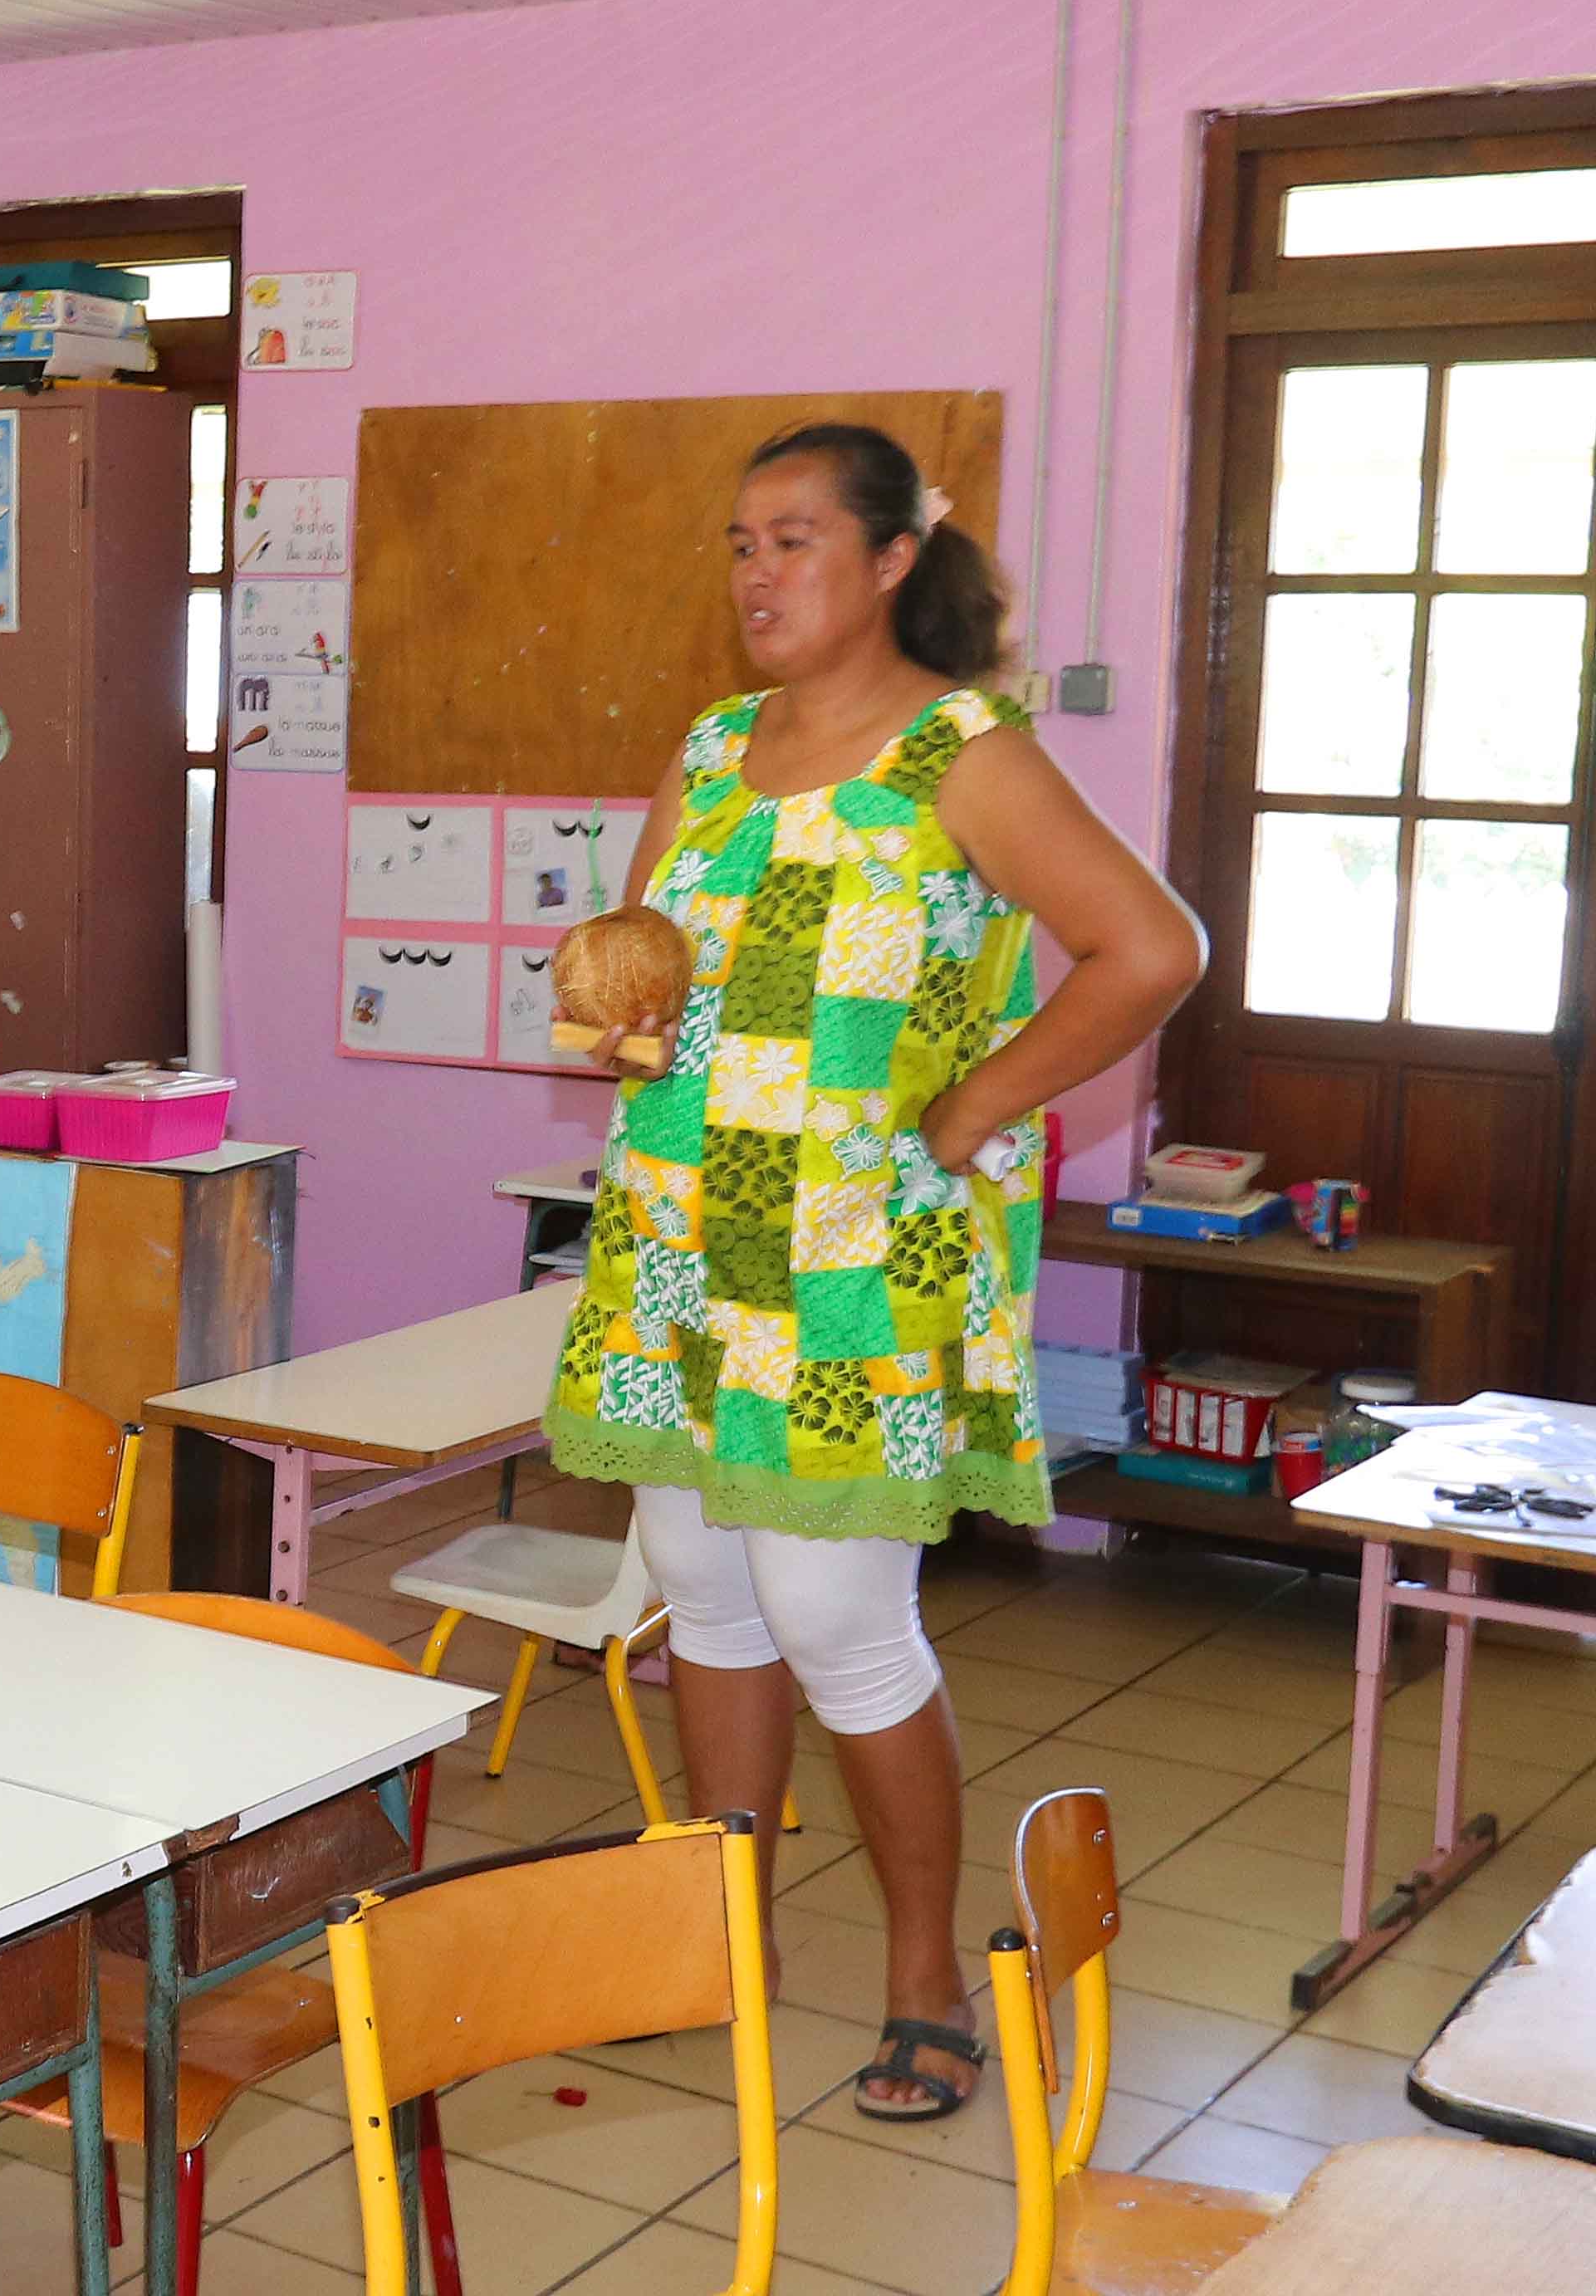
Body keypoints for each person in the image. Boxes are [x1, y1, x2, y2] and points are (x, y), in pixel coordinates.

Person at [544, 420, 1202, 2124]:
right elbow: (650, 958)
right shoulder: (710, 747)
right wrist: (622, 1015)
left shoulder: (958, 752)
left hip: (853, 1268)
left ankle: (925, 1976)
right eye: (738, 542)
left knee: (837, 1616)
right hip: (683, 1245)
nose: (756, 572)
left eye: (793, 538)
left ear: (892, 556)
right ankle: (721, 1938)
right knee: (700, 1595)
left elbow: (1148, 946)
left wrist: (973, 1104)